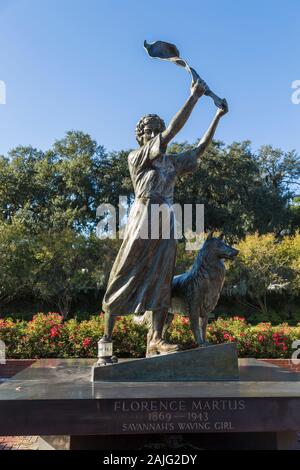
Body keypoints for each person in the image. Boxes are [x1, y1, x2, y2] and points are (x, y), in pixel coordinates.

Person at [101, 79, 228, 357]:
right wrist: (194, 97)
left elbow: (200, 149)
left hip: (166, 220)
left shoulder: (171, 163)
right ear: (141, 136)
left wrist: (216, 116)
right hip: (144, 216)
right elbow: (171, 132)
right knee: (123, 274)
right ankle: (106, 341)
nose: (156, 134)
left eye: (157, 129)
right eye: (150, 131)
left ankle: (156, 339)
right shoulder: (137, 157)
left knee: (162, 279)